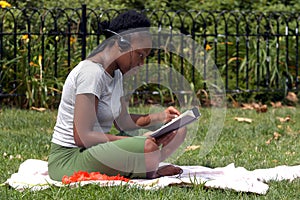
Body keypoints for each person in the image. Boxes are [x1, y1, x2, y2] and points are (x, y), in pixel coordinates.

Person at [48, 10, 187, 181]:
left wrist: (162, 118)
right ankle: (149, 169)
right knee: (148, 147)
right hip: (69, 160)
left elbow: (123, 121)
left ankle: (147, 166)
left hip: (94, 152)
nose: (141, 64)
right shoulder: (91, 73)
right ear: (121, 43)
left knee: (178, 131)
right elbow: (83, 137)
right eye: (140, 55)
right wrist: (143, 141)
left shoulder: (116, 74)